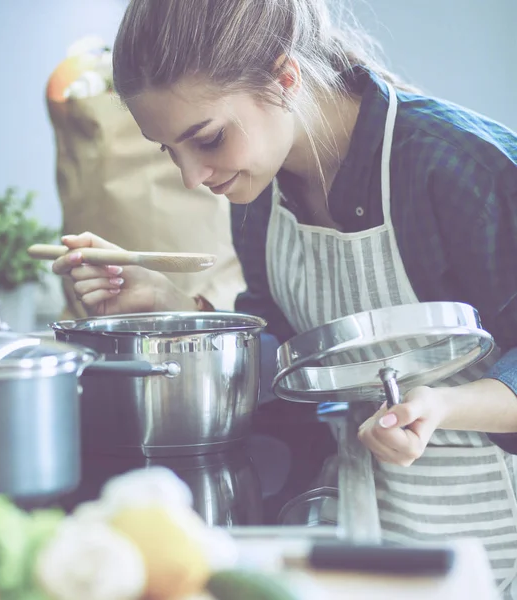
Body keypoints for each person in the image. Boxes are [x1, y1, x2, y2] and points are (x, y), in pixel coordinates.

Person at [51, 0, 517, 595]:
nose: (193, 178)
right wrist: (177, 312)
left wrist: (446, 406)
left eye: (209, 139)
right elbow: (290, 360)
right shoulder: (261, 198)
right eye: (169, 151)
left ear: (284, 77)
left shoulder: (457, 167)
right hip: (367, 522)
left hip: (495, 535)